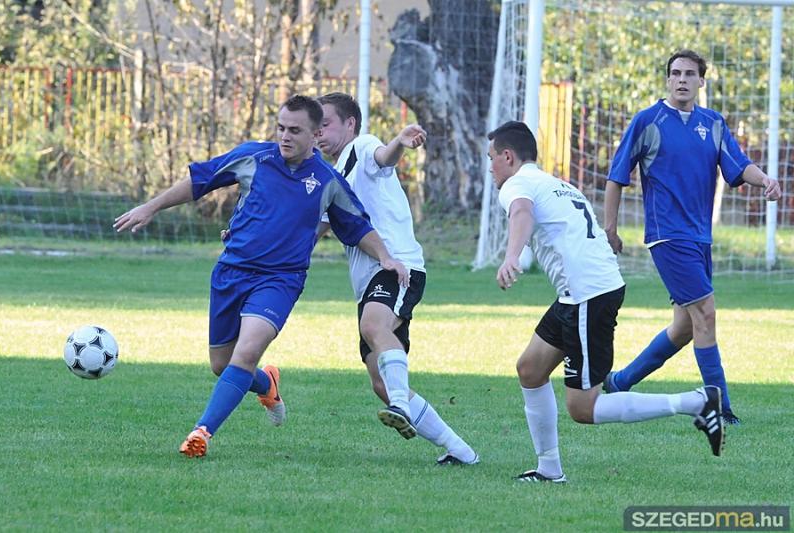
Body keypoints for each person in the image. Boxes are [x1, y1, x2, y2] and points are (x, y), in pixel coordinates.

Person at [114, 94, 408, 458]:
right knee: (222, 365)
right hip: (231, 272)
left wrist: (386, 257)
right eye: (281, 127)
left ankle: (201, 432)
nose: (284, 136)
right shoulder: (254, 157)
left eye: (294, 130)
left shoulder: (327, 181)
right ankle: (267, 384)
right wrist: (151, 206)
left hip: (280, 281)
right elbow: (200, 179)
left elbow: (358, 225)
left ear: (315, 134)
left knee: (248, 350)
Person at [489, 120, 723, 483]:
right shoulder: (555, 184)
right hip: (583, 292)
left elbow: (521, 212)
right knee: (530, 369)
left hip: (588, 294)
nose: (490, 167)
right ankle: (549, 469)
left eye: (491, 157)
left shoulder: (517, 185)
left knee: (583, 407)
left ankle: (696, 402)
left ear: (507, 156)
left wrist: (511, 256)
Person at [603, 49, 782, 425]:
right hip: (667, 236)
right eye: (675, 73)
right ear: (667, 79)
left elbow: (739, 166)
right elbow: (617, 177)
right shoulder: (648, 121)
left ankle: (619, 382)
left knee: (685, 327)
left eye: (689, 74)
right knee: (706, 313)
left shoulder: (713, 123)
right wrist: (610, 229)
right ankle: (720, 405)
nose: (681, 79)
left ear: (701, 81)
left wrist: (765, 178)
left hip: (700, 237)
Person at [314, 92, 478, 465]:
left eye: (325, 124)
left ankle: (401, 405)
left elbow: (383, 157)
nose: (318, 132)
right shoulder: (332, 178)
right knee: (379, 380)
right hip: (369, 281)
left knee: (374, 327)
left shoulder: (361, 148)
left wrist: (399, 143)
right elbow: (311, 232)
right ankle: (460, 451)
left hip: (397, 266)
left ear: (350, 124)